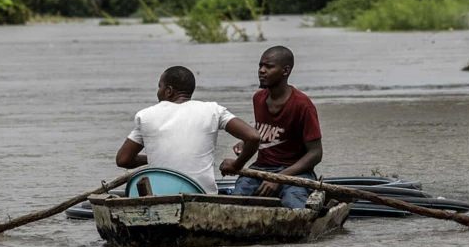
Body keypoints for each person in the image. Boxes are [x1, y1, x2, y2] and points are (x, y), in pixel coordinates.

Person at [116, 65, 260, 194]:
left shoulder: (145, 115)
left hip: (158, 193)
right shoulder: (213, 110)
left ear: (169, 91)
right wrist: (237, 165)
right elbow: (253, 137)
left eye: (159, 87)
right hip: (202, 194)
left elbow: (123, 160)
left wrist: (159, 159)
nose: (158, 92)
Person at [221, 46, 322, 209]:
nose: (261, 71)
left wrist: (279, 178)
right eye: (260, 66)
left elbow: (316, 153)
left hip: (294, 172)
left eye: (269, 66)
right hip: (261, 169)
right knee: (235, 202)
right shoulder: (258, 98)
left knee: (295, 206)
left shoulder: (303, 105)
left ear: (285, 71)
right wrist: (246, 144)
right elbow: (268, 132)